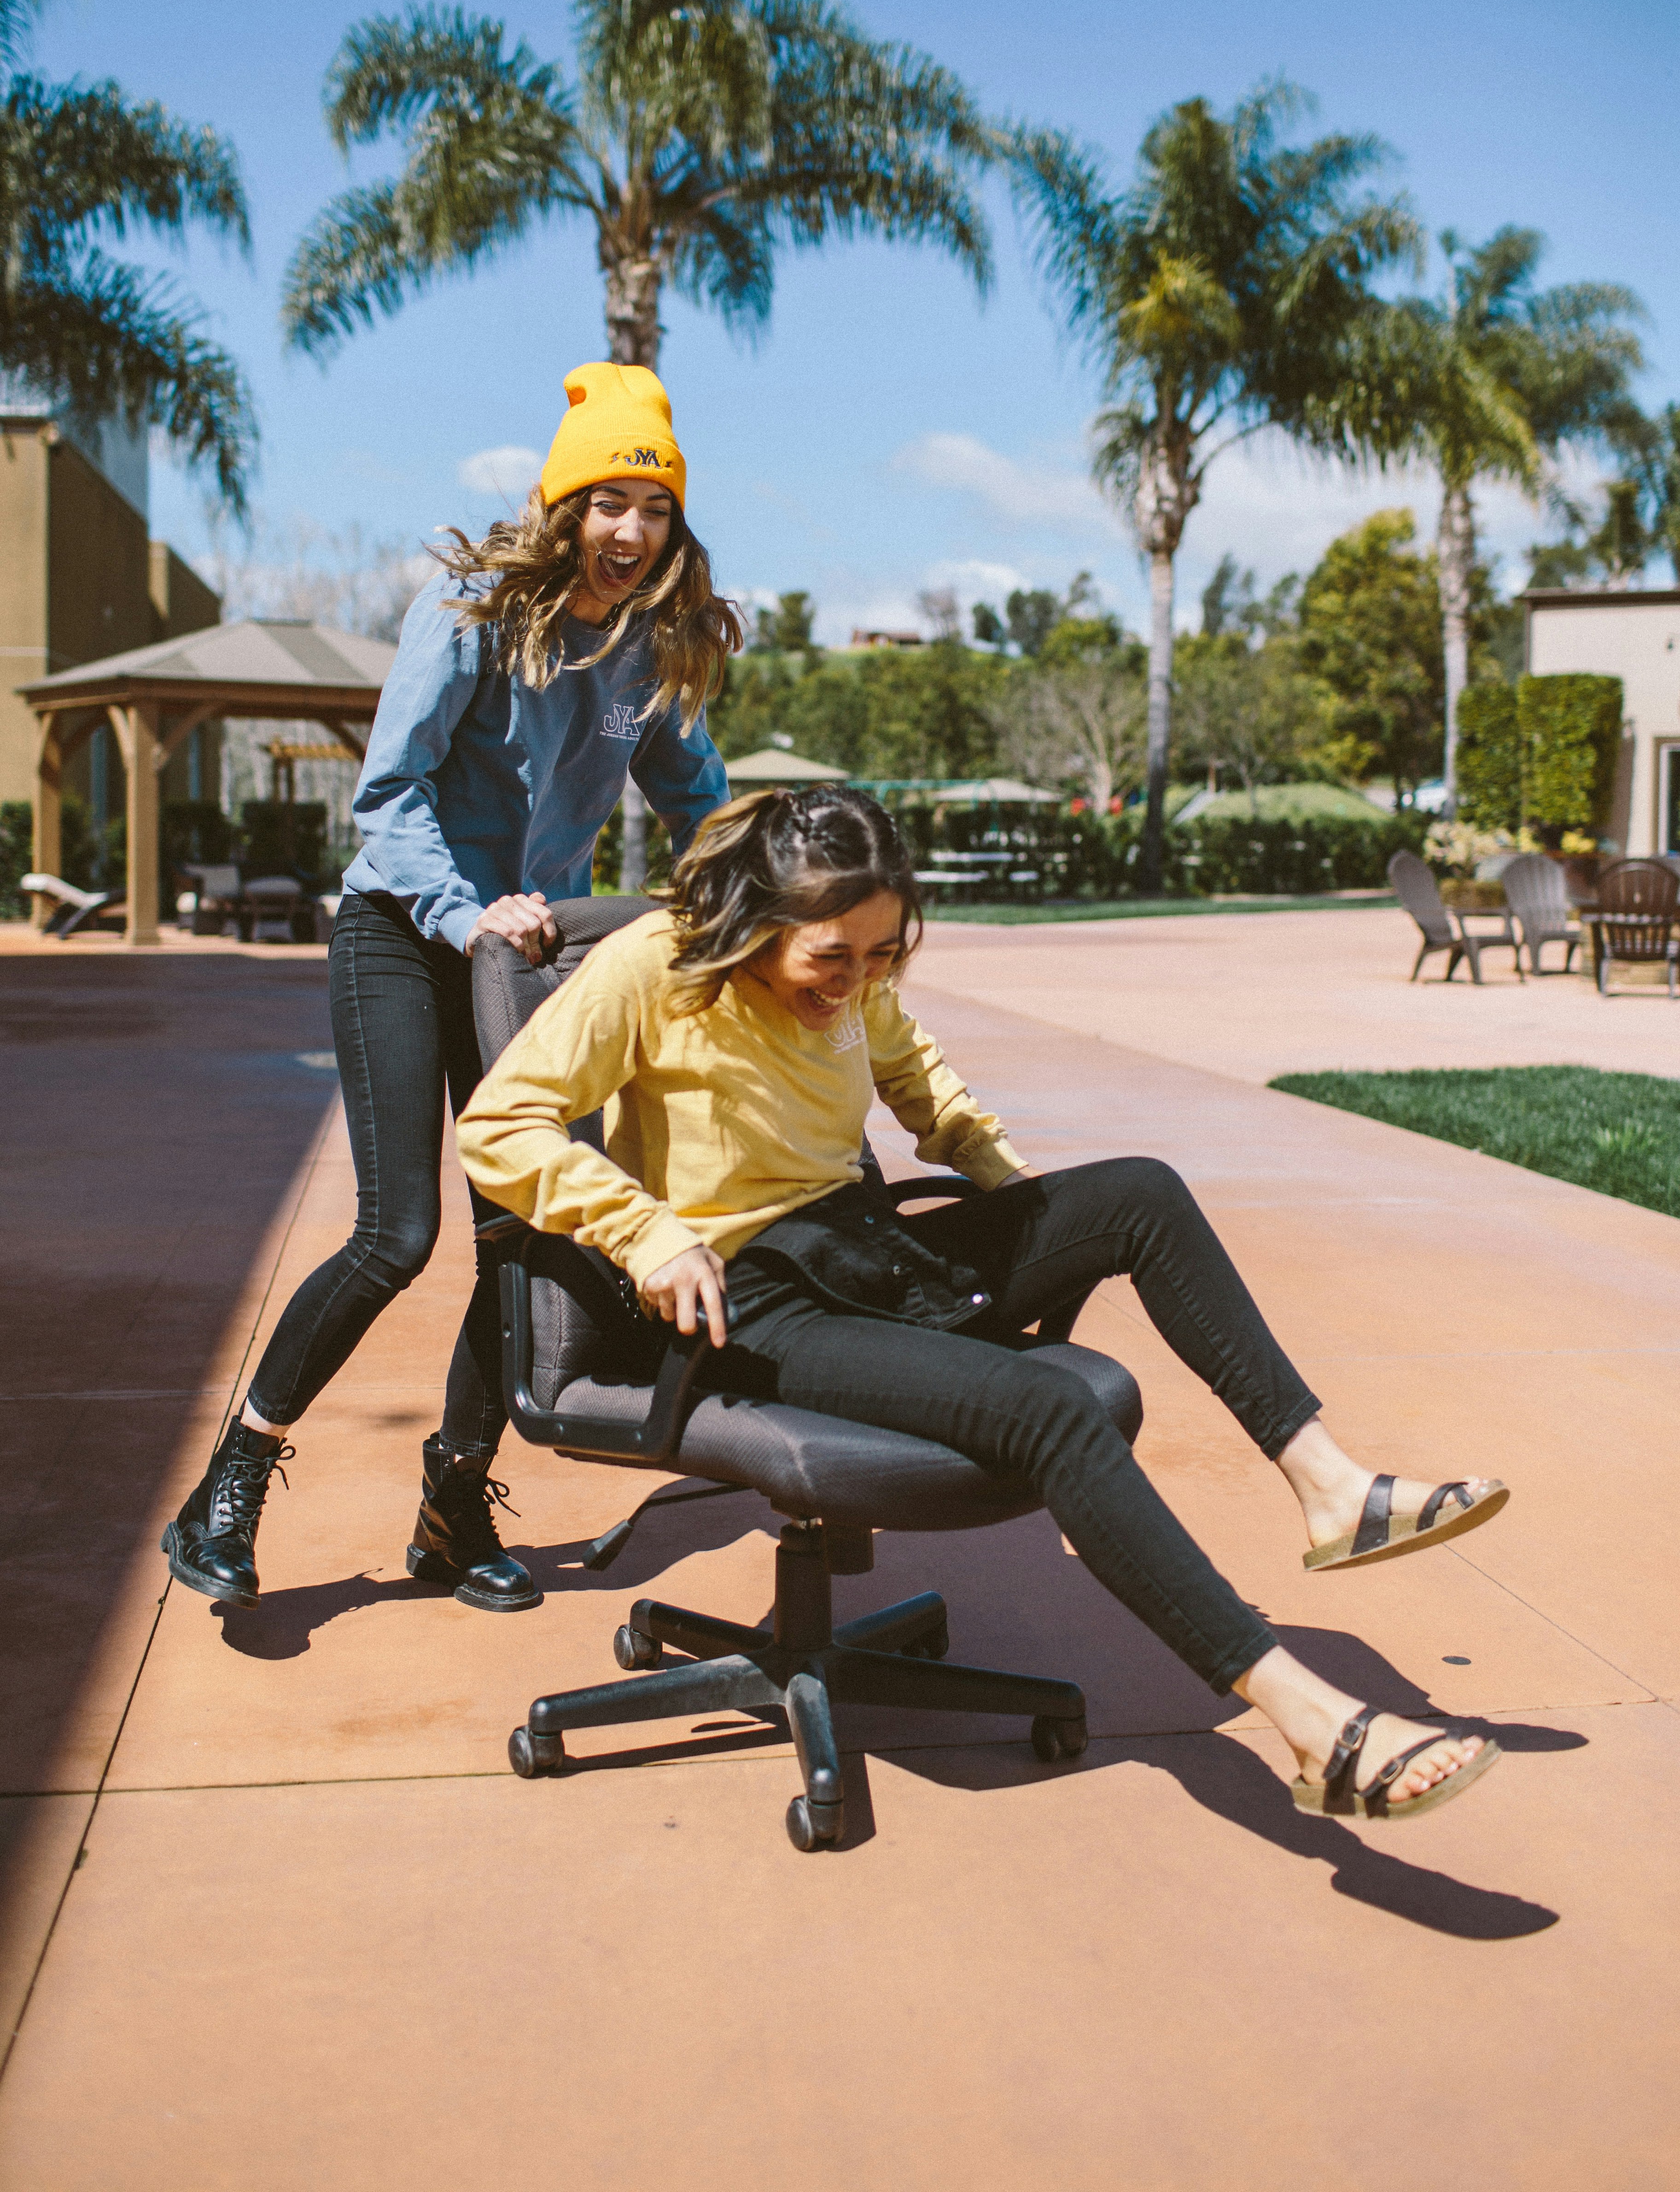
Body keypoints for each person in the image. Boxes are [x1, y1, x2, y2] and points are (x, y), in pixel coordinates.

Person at [455, 786, 1511, 1824]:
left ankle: (1329, 1486)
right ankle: (1313, 1722)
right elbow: (500, 1126)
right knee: (1053, 1408)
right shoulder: (657, 968)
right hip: (750, 1300)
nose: (856, 983)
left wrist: (1029, 1214)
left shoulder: (853, 970)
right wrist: (645, 1230)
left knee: (1137, 1193)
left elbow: (926, 1088)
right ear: (760, 921)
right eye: (833, 958)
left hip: (864, 1247)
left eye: (882, 958)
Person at [163, 363, 741, 1614]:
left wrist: (773, 886)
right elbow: (392, 791)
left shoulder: (647, 647)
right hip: (403, 929)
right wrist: (466, 907)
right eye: (607, 502)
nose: (629, 532)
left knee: (520, 1240)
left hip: (519, 962)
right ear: (563, 507)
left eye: (653, 507)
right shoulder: (472, 610)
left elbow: (699, 798)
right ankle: (233, 1476)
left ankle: (453, 1499)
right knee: (397, 1235)